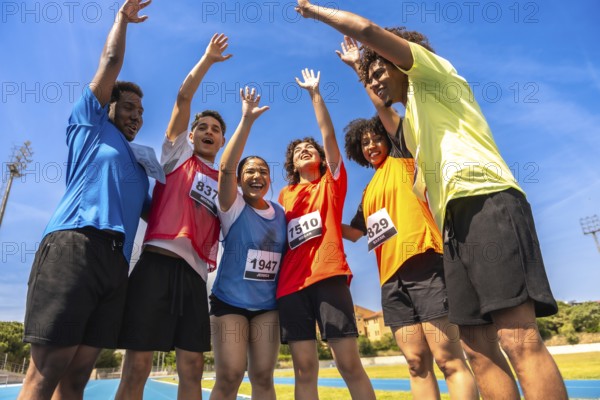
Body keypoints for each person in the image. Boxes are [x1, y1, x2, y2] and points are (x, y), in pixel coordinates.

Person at [294, 2, 567, 399]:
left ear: (399, 58)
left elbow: (368, 29)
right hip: (453, 227)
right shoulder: (416, 123)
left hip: (485, 200)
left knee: (517, 338)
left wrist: (314, 12)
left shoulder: (433, 75)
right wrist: (362, 74)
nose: (377, 82)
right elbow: (386, 114)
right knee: (477, 348)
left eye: (379, 71)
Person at [18, 1, 152, 399]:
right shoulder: (88, 126)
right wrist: (122, 21)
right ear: (107, 106)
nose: (136, 115)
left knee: (77, 379)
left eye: (142, 111)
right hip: (74, 246)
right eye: (128, 107)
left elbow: (162, 212)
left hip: (115, 265)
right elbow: (110, 61)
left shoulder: (139, 165)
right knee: (46, 373)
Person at [338, 36, 477, 399]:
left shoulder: (405, 155)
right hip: (391, 280)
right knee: (416, 363)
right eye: (364, 143)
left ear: (387, 139)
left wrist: (359, 69)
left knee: (448, 359)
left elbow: (384, 108)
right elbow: (352, 233)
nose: (371, 145)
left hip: (425, 263)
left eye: (375, 138)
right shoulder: (368, 194)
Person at [115, 33, 231, 400]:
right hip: (156, 265)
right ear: (190, 135)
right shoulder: (177, 155)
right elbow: (184, 97)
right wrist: (208, 59)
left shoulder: (228, 182)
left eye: (215, 130)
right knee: (138, 365)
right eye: (202, 128)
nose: (208, 132)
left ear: (223, 141)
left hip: (195, 276)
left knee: (193, 369)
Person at [277, 68, 376, 400]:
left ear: (321, 159)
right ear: (291, 163)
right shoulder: (283, 196)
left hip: (329, 277)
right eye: (298, 149)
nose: (305, 149)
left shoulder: (331, 184)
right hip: (290, 287)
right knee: (304, 371)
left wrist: (314, 93)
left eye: (311, 148)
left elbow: (328, 135)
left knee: (348, 365)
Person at [208, 87, 286, 400]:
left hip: (268, 306)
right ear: (240, 181)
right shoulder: (233, 206)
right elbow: (225, 168)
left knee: (263, 377)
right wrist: (246, 121)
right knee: (229, 375)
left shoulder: (280, 212)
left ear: (270, 179)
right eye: (250, 171)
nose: (257, 176)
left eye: (263, 172)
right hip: (230, 303)